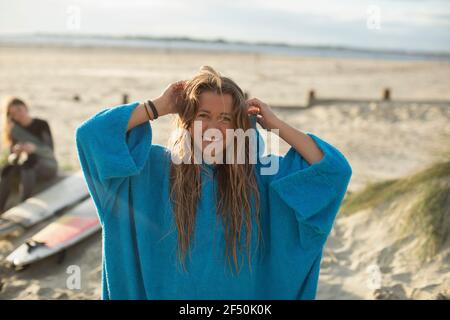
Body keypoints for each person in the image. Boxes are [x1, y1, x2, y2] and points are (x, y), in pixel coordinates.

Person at [75, 66, 352, 299]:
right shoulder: (154, 171)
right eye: (203, 116)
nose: (213, 128)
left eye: (225, 119)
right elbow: (92, 136)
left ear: (238, 127)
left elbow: (333, 171)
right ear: (186, 121)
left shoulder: (259, 177)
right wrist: (158, 106)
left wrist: (275, 124)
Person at [0, 97, 58, 213]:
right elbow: (12, 157)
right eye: (14, 114)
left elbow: (50, 151)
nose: (18, 114)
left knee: (30, 160)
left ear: (25, 107)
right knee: (7, 168)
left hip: (47, 165)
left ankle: (24, 203)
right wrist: (16, 152)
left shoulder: (42, 124)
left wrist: (34, 148)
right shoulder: (15, 129)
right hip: (26, 165)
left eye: (19, 109)